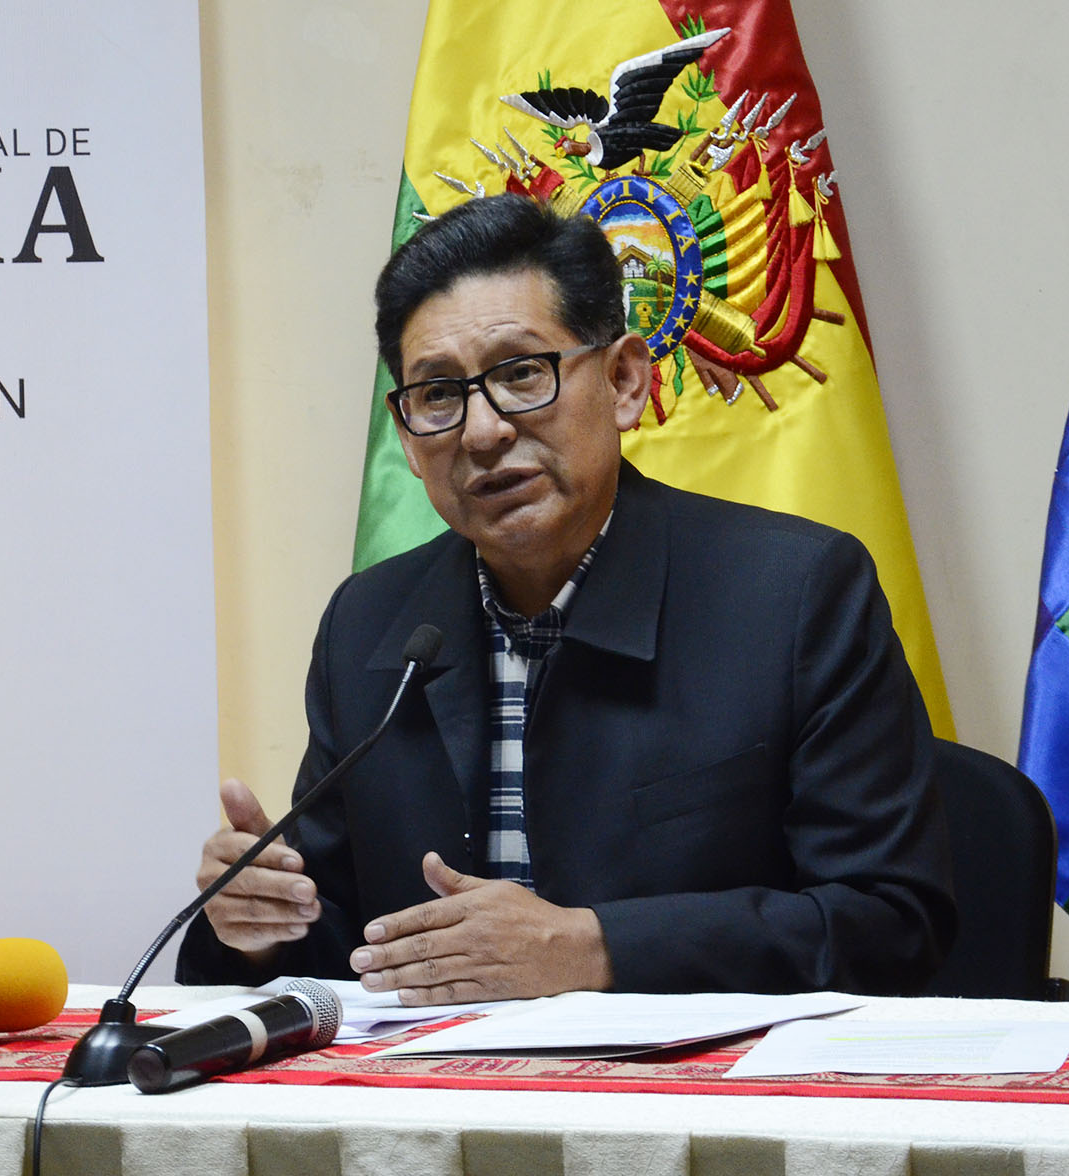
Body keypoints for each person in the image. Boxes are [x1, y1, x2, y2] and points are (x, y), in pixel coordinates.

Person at [176, 194, 954, 1003]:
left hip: (696, 1076)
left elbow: (891, 924)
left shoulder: (793, 595)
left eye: (521, 374)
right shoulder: (372, 624)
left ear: (624, 382)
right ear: (406, 438)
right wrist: (257, 924)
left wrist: (596, 950)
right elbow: (350, 947)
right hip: (442, 1076)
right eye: (438, 394)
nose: (481, 431)